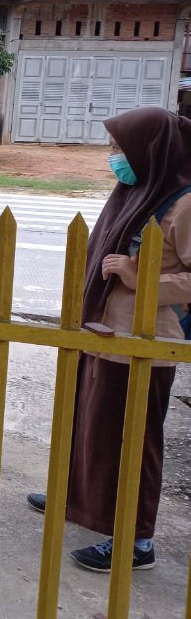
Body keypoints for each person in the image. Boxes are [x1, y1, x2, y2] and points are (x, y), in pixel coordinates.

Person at [26, 107, 191, 573]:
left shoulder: (183, 203)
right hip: (107, 333)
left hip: (146, 342)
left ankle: (137, 540)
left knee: (134, 438)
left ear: (151, 150)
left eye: (121, 148)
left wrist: (139, 276)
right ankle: (79, 501)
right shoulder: (138, 192)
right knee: (94, 424)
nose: (114, 156)